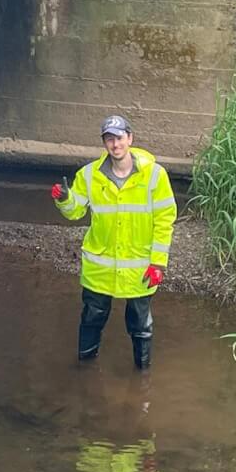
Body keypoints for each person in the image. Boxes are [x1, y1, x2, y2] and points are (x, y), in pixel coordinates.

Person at [51, 115, 177, 370]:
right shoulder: (89, 175)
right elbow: (75, 211)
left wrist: (158, 263)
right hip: (100, 268)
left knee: (140, 325)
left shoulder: (155, 175)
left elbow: (164, 219)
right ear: (104, 143)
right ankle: (84, 371)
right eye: (109, 139)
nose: (115, 144)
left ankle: (142, 376)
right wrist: (64, 198)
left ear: (130, 138)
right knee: (91, 319)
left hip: (139, 267)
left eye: (119, 138)